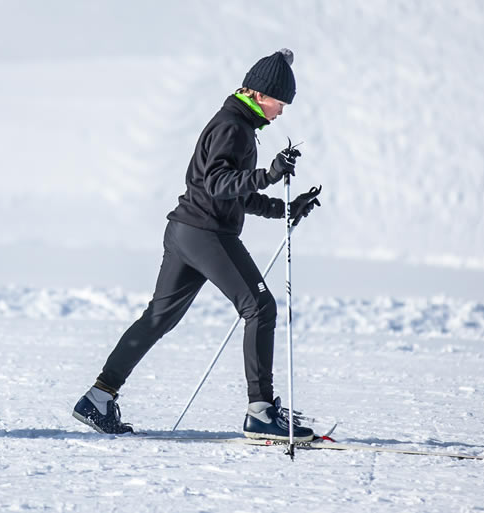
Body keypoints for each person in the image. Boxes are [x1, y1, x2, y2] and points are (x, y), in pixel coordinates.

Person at [73, 49, 324, 440]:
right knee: (260, 307)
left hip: (186, 230)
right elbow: (219, 184)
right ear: (259, 94)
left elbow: (231, 193)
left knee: (159, 318)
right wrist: (268, 175)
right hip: (207, 234)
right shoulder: (233, 127)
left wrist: (283, 209)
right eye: (280, 102)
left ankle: (98, 397)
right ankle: (261, 412)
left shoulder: (239, 124)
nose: (282, 112)